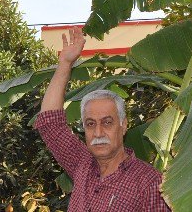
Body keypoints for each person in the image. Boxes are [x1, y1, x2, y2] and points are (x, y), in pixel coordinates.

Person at [34, 27, 171, 212]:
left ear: (123, 126)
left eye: (107, 122)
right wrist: (65, 64)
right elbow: (50, 124)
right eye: (91, 124)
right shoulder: (82, 165)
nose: (98, 133)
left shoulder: (148, 183)